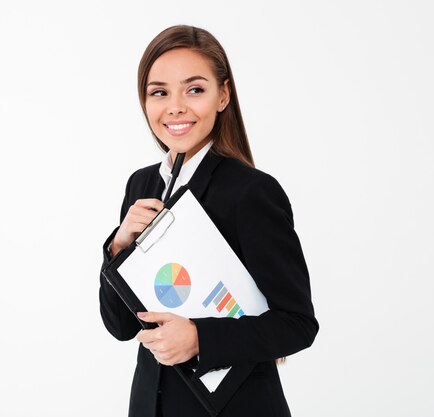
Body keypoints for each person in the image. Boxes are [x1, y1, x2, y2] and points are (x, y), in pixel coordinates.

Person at [99, 25, 318, 417]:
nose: (176, 107)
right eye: (159, 92)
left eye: (194, 89)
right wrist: (119, 247)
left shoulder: (251, 192)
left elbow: (298, 324)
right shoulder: (142, 183)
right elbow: (120, 326)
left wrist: (200, 338)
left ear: (224, 96)